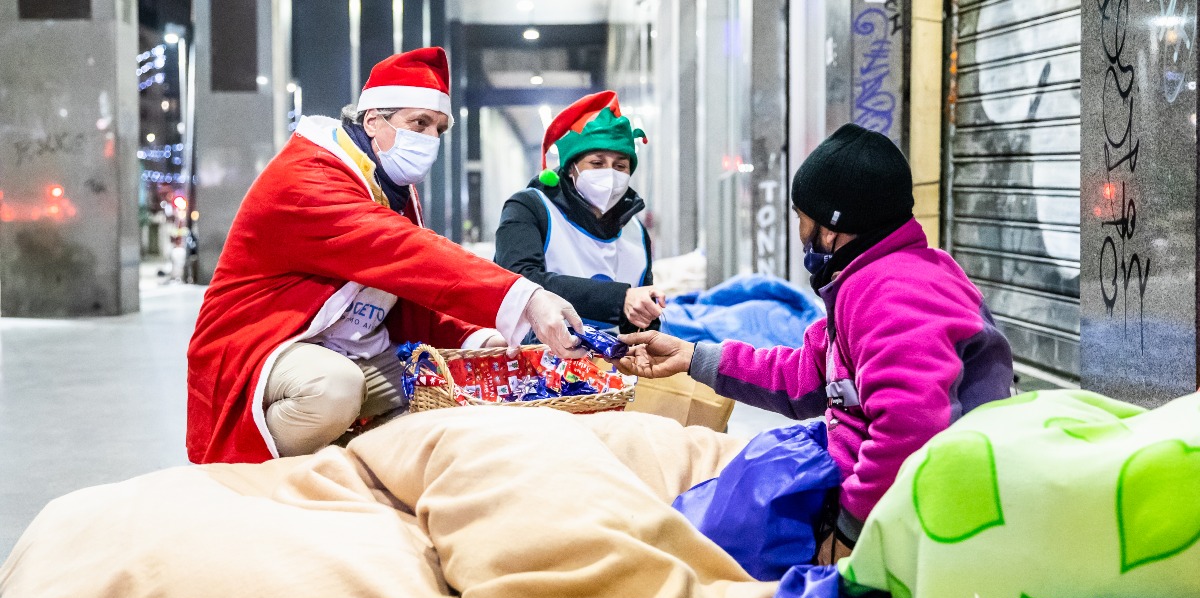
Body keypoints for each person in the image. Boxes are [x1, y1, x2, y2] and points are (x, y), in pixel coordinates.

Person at [616, 123, 1014, 557]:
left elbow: (909, 427)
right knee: (712, 507)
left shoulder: (896, 295)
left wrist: (847, 535)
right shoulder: (868, 278)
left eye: (801, 217)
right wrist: (693, 356)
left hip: (923, 518)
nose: (800, 230)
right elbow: (806, 378)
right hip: (862, 476)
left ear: (830, 228)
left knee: (709, 542)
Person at [187, 47, 587, 464]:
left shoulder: (389, 187)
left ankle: (346, 449)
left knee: (439, 376)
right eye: (419, 123)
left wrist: (479, 338)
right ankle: (265, 470)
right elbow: (409, 254)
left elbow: (410, 291)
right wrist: (527, 297)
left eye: (439, 129)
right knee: (334, 388)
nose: (431, 140)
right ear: (372, 121)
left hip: (345, 346)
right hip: (266, 346)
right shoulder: (309, 177)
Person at [494, 91, 665, 334]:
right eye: (597, 163)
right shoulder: (530, 208)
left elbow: (641, 318)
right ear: (571, 168)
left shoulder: (635, 232)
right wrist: (620, 298)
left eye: (620, 165)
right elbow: (519, 281)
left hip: (614, 357)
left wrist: (647, 327)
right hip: (534, 352)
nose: (610, 174)